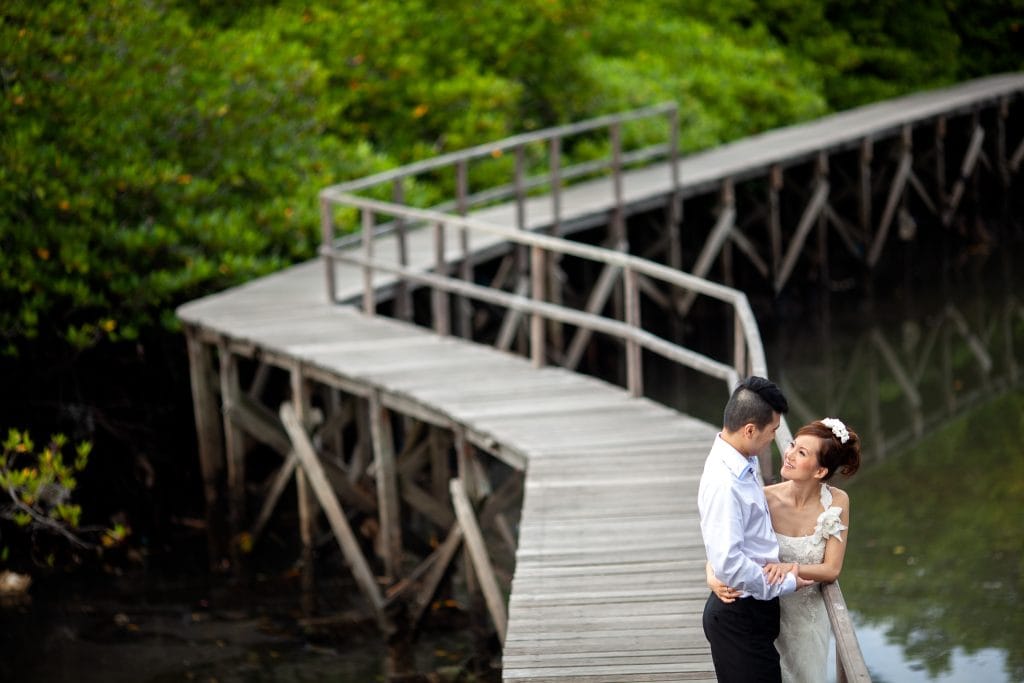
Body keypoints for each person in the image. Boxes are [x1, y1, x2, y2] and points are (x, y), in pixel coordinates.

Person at [707, 417, 862, 682]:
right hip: (764, 611)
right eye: (792, 445)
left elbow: (831, 569)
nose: (788, 454)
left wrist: (790, 568)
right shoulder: (764, 497)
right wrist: (710, 574)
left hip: (806, 621)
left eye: (801, 453)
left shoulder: (837, 502)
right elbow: (723, 541)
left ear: (820, 472)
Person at [698, 376, 812, 683]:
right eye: (773, 431)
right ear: (750, 429)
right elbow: (729, 563)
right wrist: (785, 583)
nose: (774, 440)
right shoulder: (726, 481)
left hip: (749, 613)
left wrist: (712, 568)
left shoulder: (738, 461)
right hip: (738, 617)